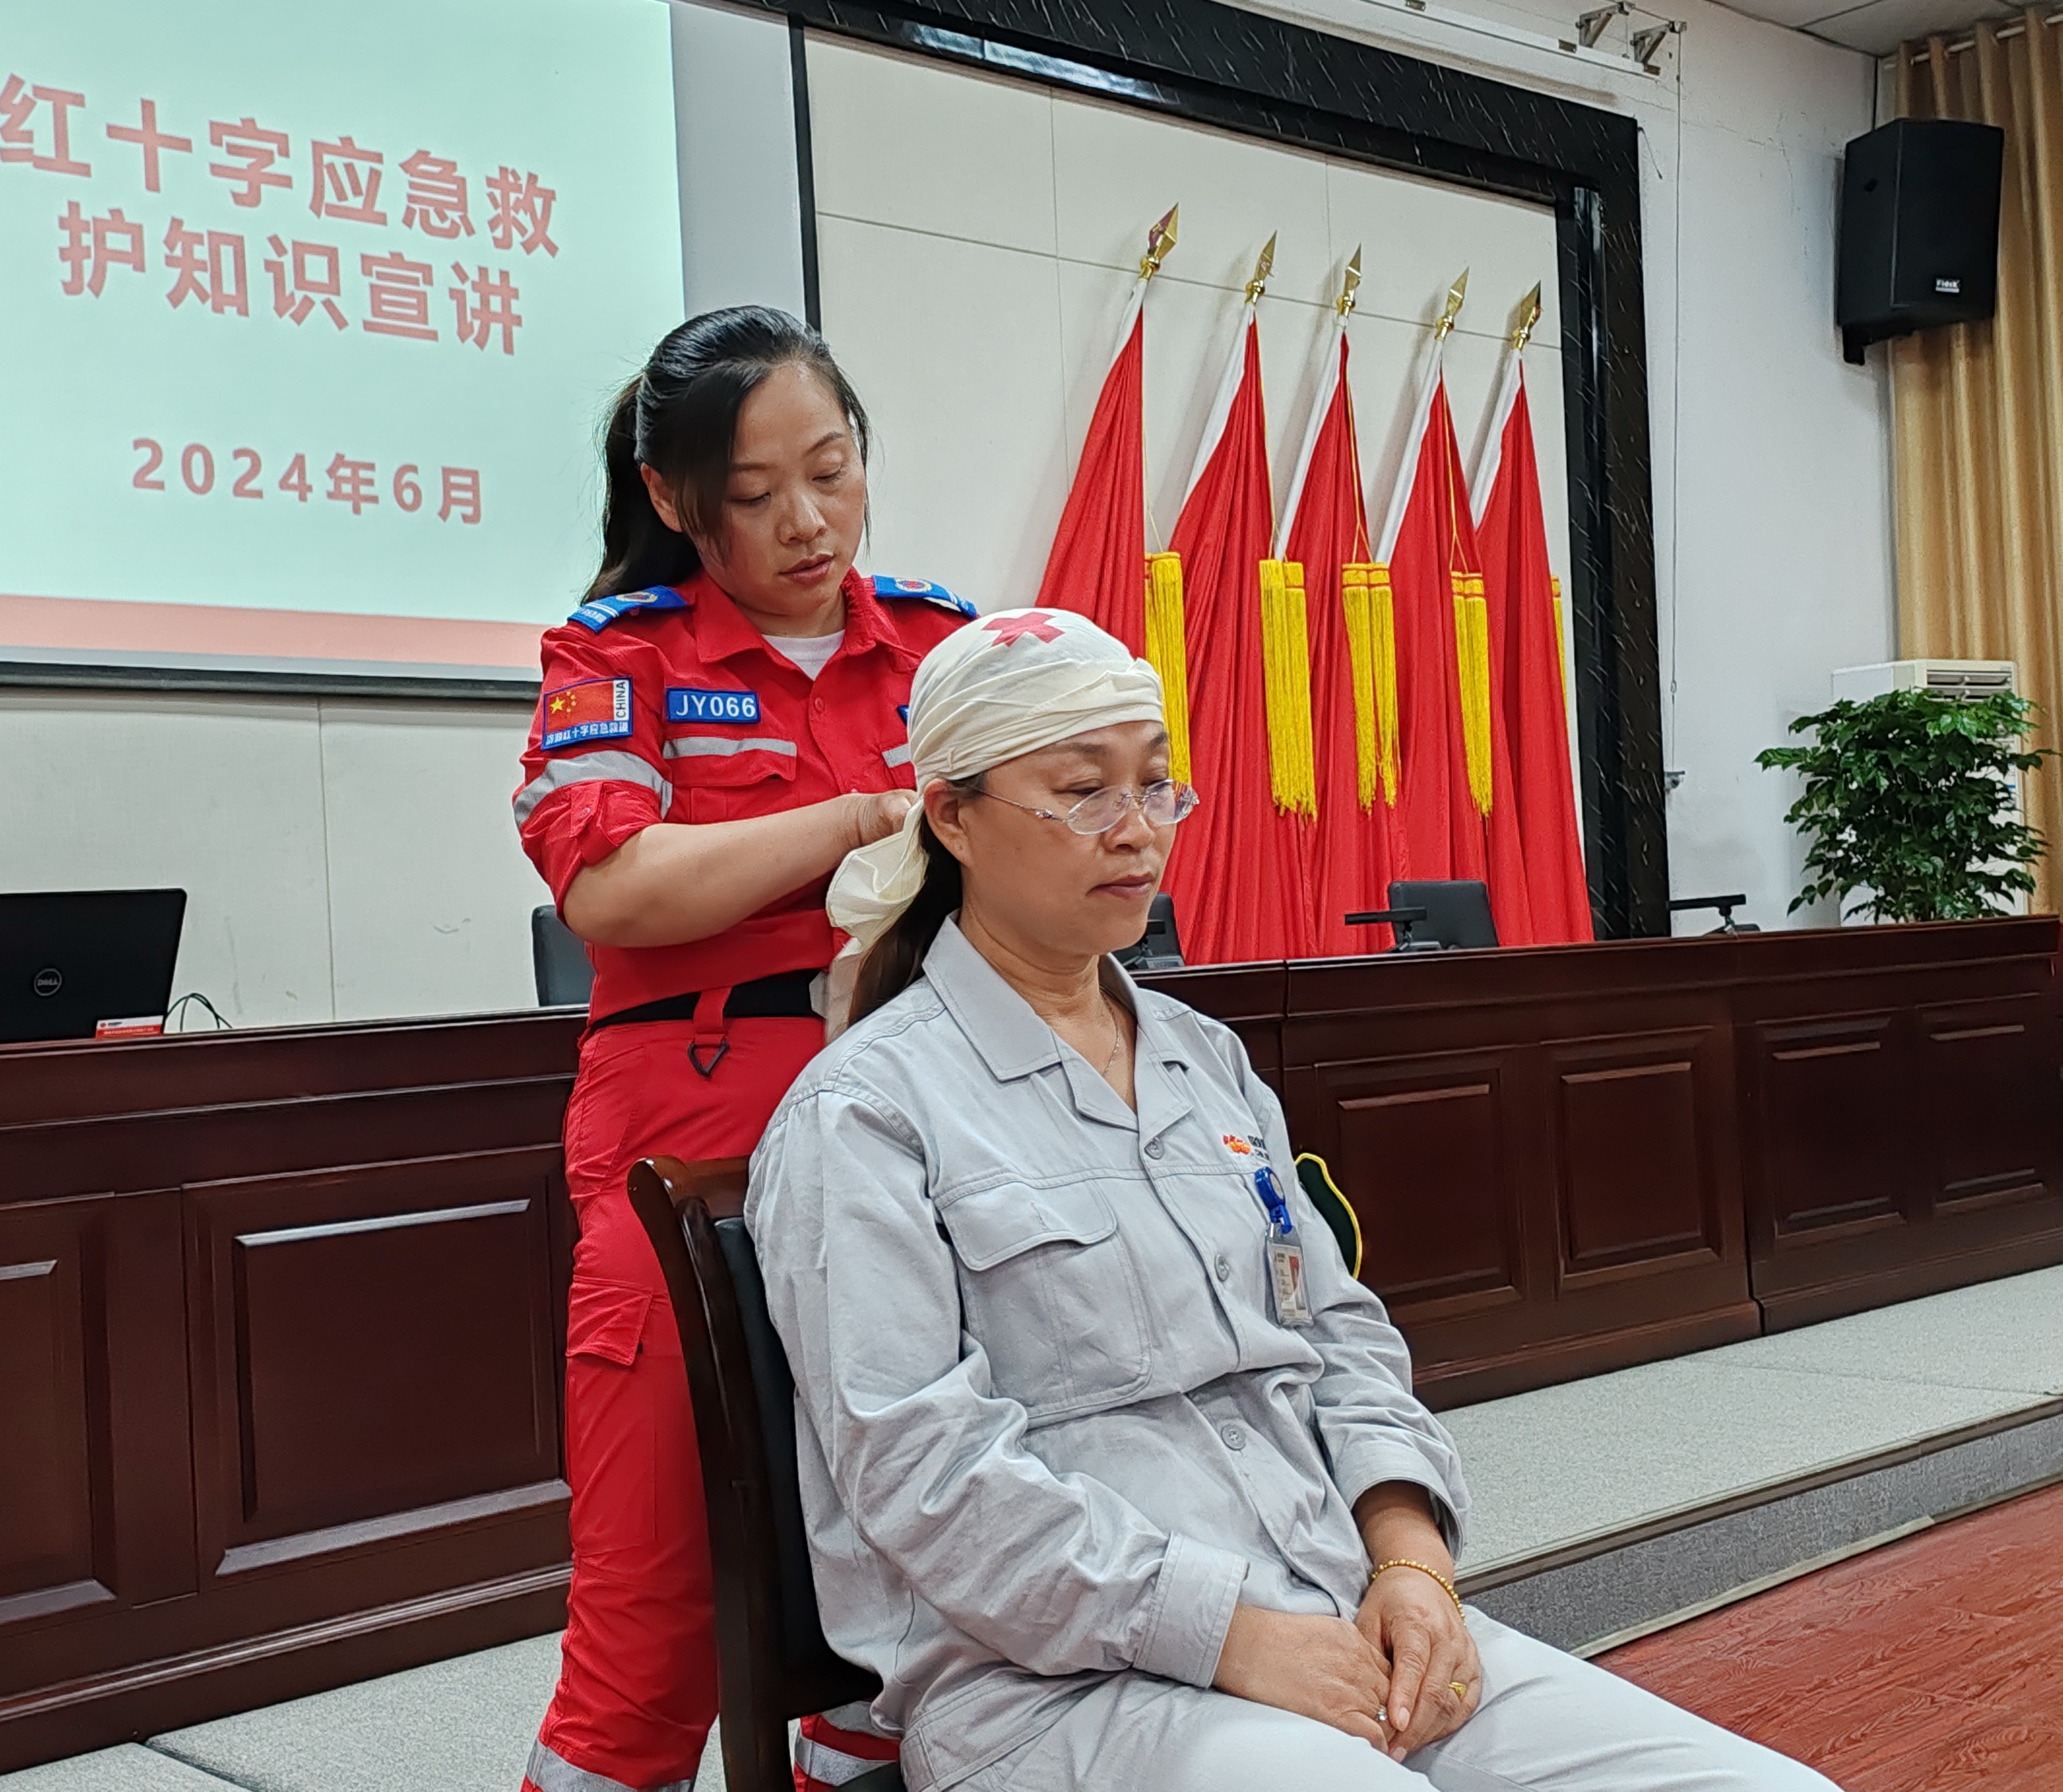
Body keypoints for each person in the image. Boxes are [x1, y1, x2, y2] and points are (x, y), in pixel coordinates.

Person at [747, 608, 1842, 1792]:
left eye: (1156, 787)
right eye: (1083, 793)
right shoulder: (867, 1112)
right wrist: (1231, 1637)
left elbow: (1339, 1336)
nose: (1137, 829)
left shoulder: (1202, 1060)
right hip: (1061, 1690)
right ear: (952, 816)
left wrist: (1411, 1561)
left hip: (1333, 1608)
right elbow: (925, 1474)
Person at [512, 306, 974, 1792]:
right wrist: (857, 821)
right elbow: (611, 887)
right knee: (655, 1612)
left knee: (942, 1571)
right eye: (757, 494)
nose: (809, 523)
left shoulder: (943, 648)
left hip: (930, 1130)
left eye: (831, 473)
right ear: (670, 497)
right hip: (694, 1150)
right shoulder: (616, 658)